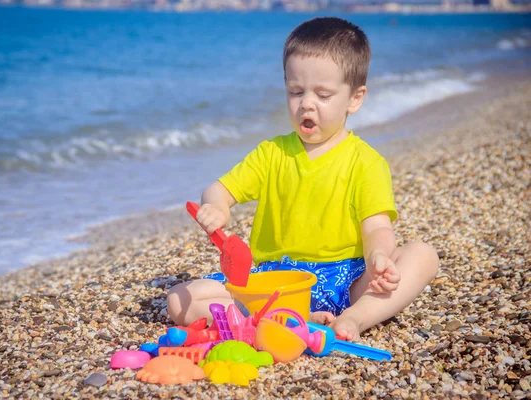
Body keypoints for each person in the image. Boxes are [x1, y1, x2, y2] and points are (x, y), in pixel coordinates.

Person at [167, 17, 439, 341]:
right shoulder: (272, 153)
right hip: (272, 282)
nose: (306, 103)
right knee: (179, 301)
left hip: (344, 280)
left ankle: (356, 317)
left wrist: (378, 258)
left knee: (423, 255)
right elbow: (219, 189)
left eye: (323, 95)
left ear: (355, 98)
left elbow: (377, 227)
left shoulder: (366, 162)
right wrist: (218, 206)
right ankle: (295, 318)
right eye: (296, 91)